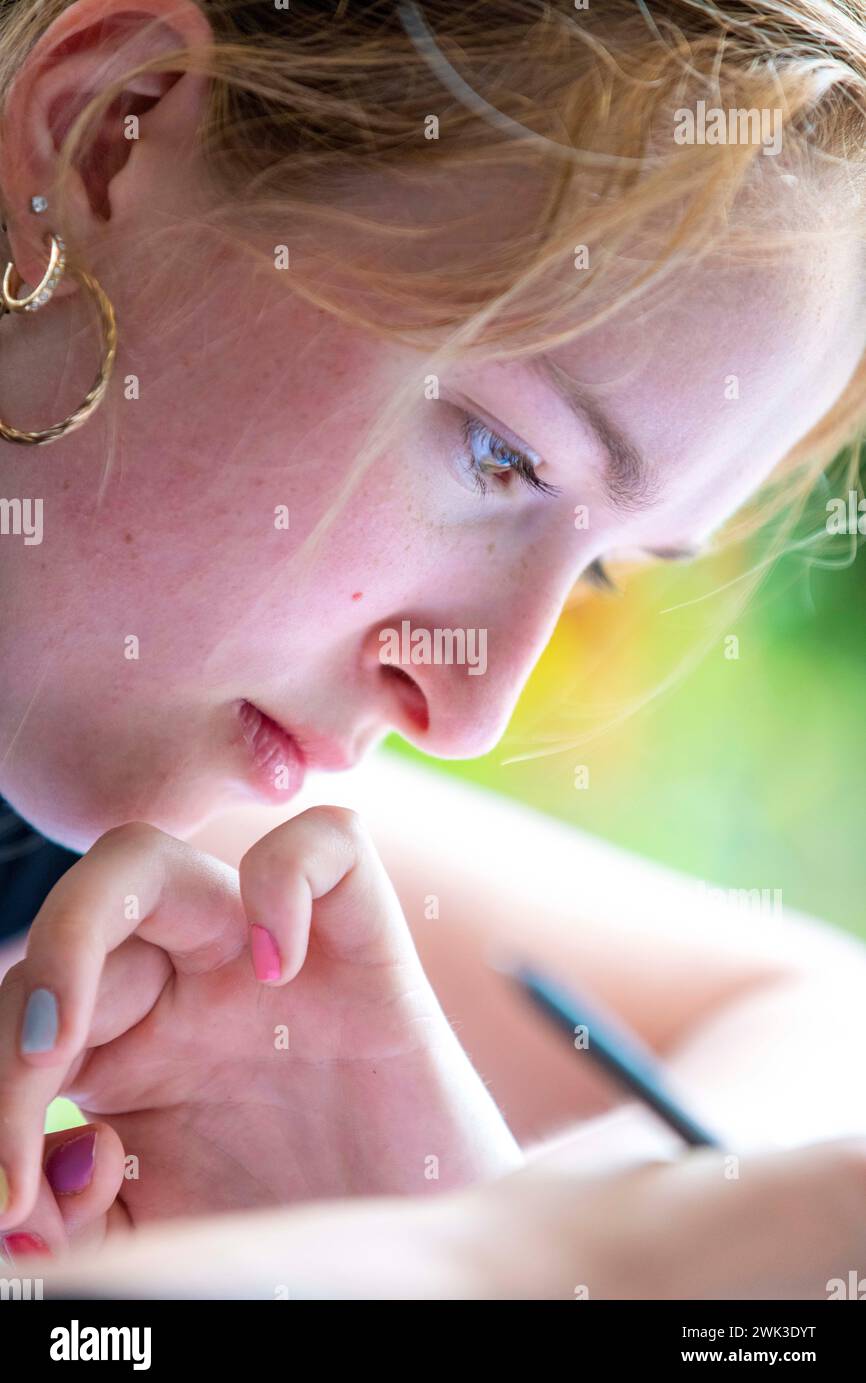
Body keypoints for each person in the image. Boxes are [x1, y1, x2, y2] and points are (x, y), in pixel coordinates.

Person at [2, 0, 866, 1298]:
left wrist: (449, 1206)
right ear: (106, 133)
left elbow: (825, 1019)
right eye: (499, 453)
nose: (471, 706)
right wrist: (509, 1255)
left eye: (598, 569)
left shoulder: (94, 788)